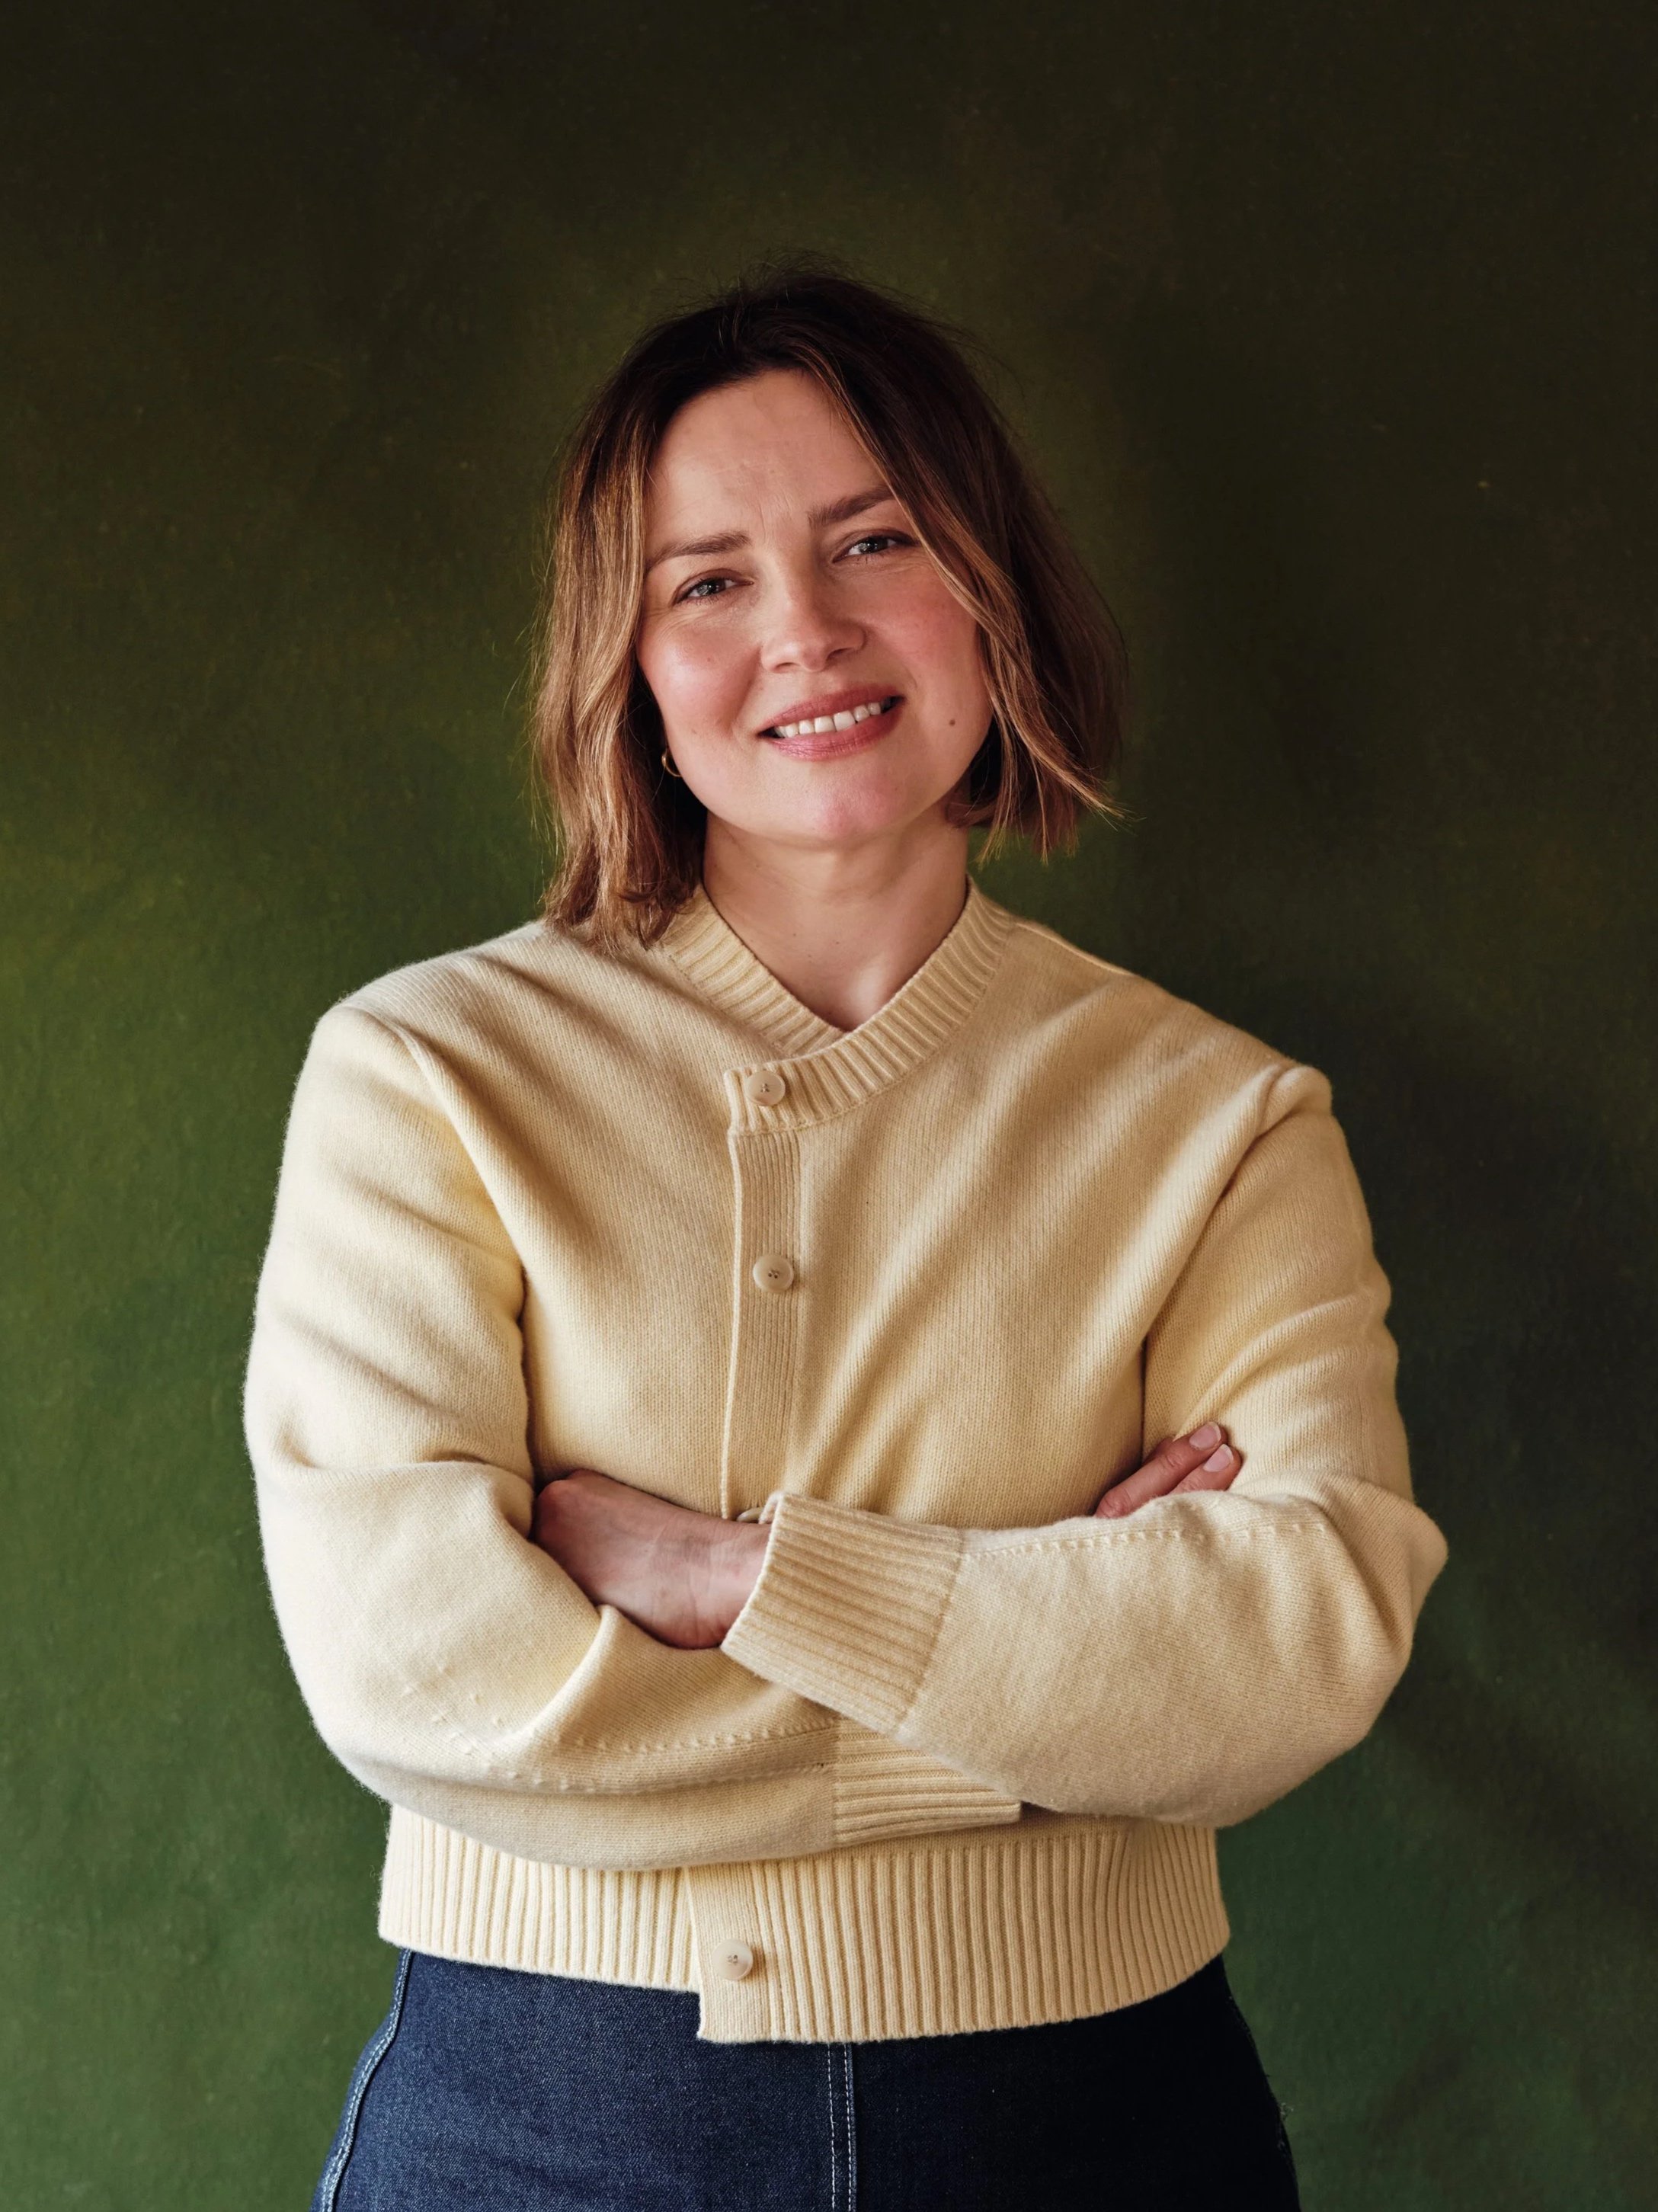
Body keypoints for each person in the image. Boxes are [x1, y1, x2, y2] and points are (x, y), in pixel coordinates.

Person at [245, 266, 1448, 2210]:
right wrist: (1038, 1704)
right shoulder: (423, 1074)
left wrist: (727, 1579)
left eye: (873, 539)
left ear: (987, 586)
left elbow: (1300, 1635)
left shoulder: (1218, 1118)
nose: (801, 630)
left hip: (1102, 2125)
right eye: (703, 580)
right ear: (621, 659)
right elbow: (418, 1670)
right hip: (543, 2122)